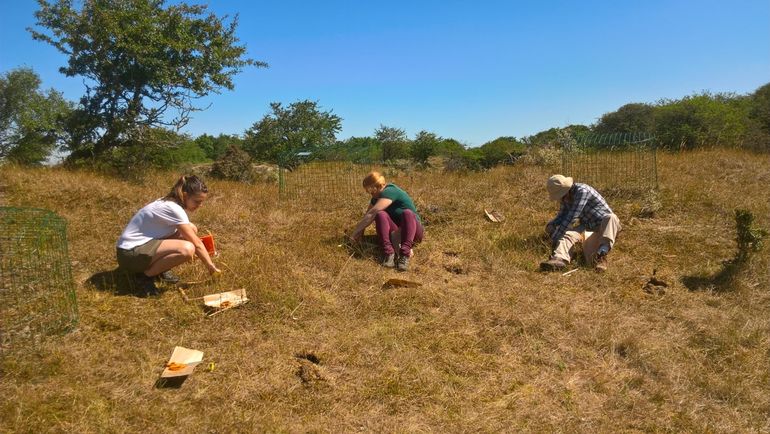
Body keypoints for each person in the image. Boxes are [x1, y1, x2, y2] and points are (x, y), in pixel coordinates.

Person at [116, 175, 221, 295]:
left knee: (191, 228)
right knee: (187, 249)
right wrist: (211, 267)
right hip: (129, 255)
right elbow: (196, 244)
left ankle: (160, 270)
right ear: (185, 195)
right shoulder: (174, 209)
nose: (200, 205)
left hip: (133, 249)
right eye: (197, 201)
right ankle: (144, 278)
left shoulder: (168, 201)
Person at [540, 174, 621, 273]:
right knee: (568, 234)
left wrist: (553, 239)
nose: (561, 199)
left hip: (604, 228)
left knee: (611, 217)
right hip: (587, 228)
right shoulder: (566, 197)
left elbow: (571, 218)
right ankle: (559, 259)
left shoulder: (582, 191)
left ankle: (602, 255)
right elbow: (561, 216)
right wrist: (551, 225)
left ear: (566, 190)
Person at [349, 171, 424, 272]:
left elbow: (372, 213)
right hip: (395, 234)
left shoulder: (389, 191)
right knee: (380, 215)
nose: (369, 193)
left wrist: (354, 233)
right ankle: (389, 253)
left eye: (371, 190)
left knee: (407, 213)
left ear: (379, 186)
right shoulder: (375, 198)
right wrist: (360, 235)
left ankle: (404, 254)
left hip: (412, 232)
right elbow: (368, 216)